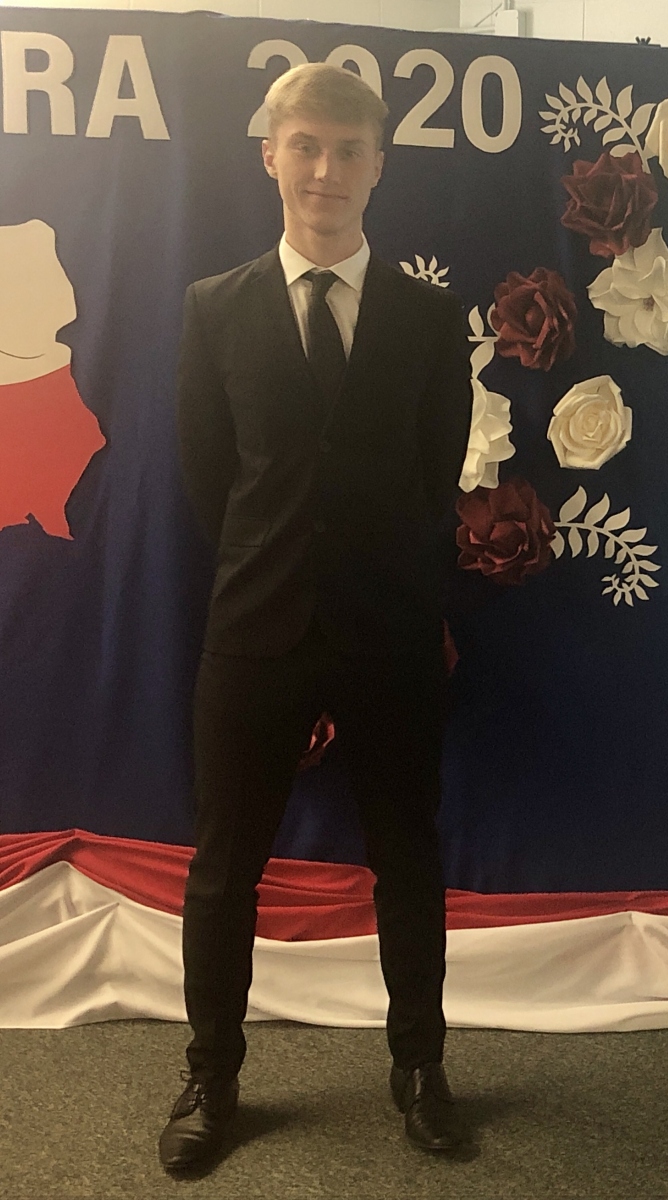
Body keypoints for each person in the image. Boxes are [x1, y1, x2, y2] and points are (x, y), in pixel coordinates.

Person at [162, 62, 472, 1171]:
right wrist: (283, 565)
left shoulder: (430, 321)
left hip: (390, 633)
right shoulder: (213, 308)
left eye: (348, 150)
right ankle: (212, 1074)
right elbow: (210, 478)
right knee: (222, 869)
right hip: (256, 626)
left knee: (409, 859)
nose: (325, 170)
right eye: (305, 145)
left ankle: (420, 1065)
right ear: (271, 155)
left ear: (378, 165)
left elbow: (434, 476)